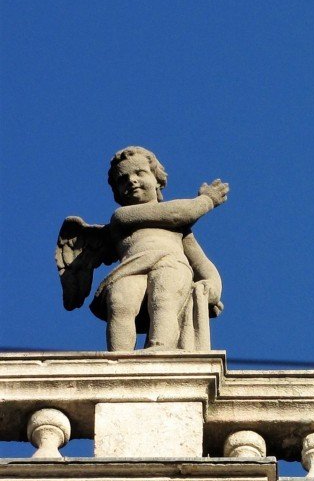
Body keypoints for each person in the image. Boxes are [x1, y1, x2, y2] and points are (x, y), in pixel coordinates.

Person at [59, 147, 229, 351]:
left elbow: (201, 262)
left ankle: (160, 348)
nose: (131, 180)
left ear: (157, 179)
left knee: (163, 297)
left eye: (139, 173)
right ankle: (119, 357)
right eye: (123, 179)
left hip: (171, 263)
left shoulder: (179, 231)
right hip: (131, 267)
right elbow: (179, 213)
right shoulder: (122, 217)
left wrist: (213, 286)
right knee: (120, 300)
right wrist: (207, 200)